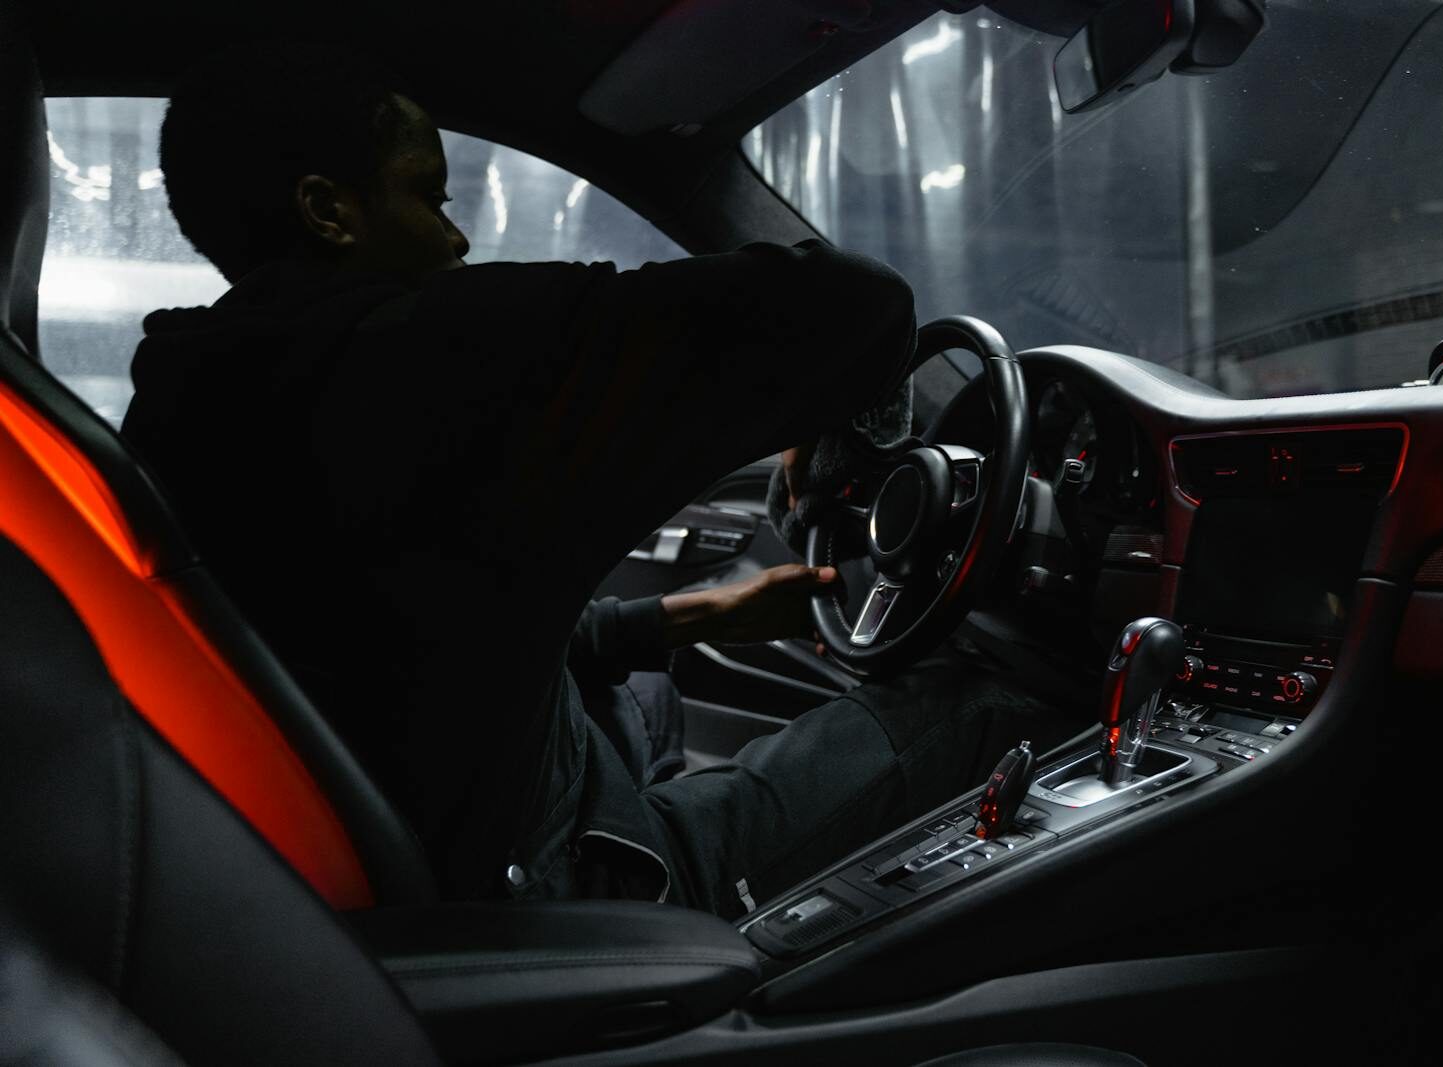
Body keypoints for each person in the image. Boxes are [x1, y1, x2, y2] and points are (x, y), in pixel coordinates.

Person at [121, 44, 1072, 917]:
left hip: (391, 829)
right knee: (981, 709)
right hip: (539, 893)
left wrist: (690, 618)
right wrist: (848, 439)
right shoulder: (442, 358)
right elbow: (860, 306)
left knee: (646, 689)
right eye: (430, 197)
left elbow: (404, 631)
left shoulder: (184, 405)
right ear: (330, 211)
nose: (455, 240)